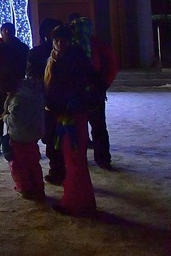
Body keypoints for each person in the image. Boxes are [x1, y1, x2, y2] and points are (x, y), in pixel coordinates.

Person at [44, 25, 99, 217]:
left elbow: (88, 83)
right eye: (56, 40)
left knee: (75, 159)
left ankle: (76, 203)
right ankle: (78, 200)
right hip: (64, 115)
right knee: (72, 159)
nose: (59, 43)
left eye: (63, 40)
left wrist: (76, 102)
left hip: (73, 116)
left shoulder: (74, 60)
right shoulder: (57, 58)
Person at [69, 15, 118, 170]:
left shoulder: (97, 46)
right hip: (81, 93)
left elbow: (110, 67)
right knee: (85, 128)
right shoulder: (72, 46)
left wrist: (102, 85)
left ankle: (101, 158)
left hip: (92, 92)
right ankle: (87, 158)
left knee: (97, 127)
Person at [26, 17, 65, 185]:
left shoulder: (67, 54)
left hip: (57, 102)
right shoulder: (38, 53)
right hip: (47, 100)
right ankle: (57, 169)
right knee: (51, 136)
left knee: (55, 137)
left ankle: (58, 170)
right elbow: (32, 74)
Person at [0, 22, 29, 156]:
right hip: (1, 87)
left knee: (17, 117)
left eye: (10, 30)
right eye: (5, 30)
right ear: (2, 32)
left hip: (17, 88)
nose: (8, 33)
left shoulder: (22, 48)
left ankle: (18, 145)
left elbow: (28, 69)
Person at [2, 77, 45, 201]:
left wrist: (5, 117)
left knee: (18, 164)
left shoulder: (17, 100)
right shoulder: (31, 92)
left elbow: (16, 120)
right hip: (34, 136)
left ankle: (24, 188)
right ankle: (38, 188)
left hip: (19, 138)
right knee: (33, 163)